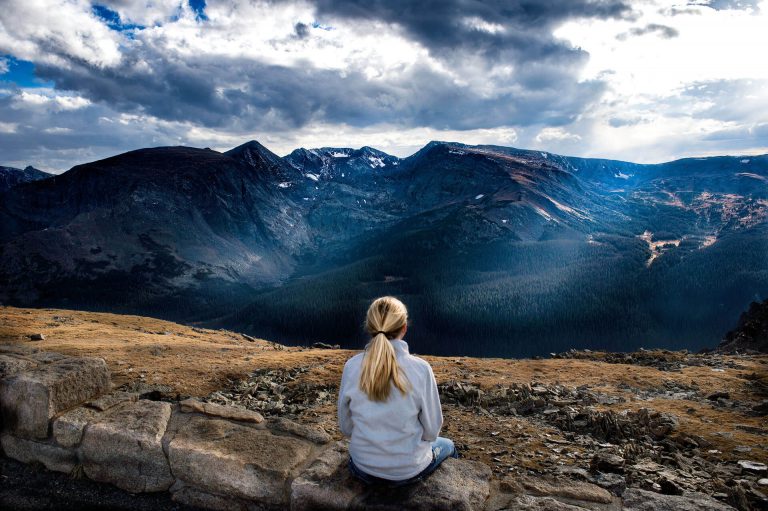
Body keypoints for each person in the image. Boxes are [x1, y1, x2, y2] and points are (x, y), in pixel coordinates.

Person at [337, 296, 458, 487]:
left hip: (362, 466)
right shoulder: (420, 369)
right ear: (404, 328)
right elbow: (432, 431)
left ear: (369, 326)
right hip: (408, 470)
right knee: (449, 445)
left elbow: (346, 428)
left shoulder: (352, 367)